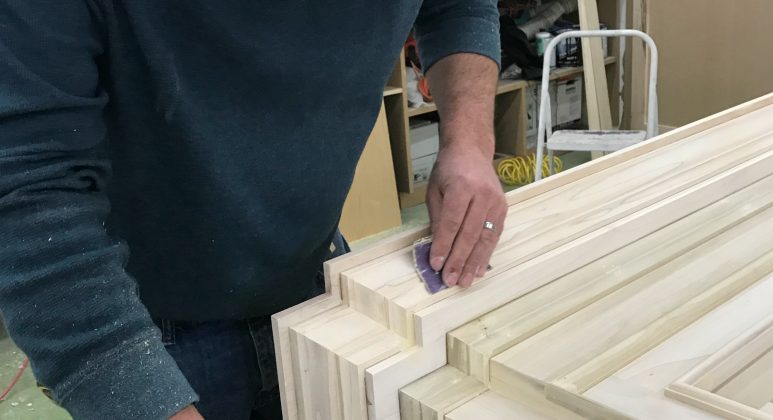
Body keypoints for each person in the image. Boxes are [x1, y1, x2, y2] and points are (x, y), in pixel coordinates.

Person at [0, 1, 508, 419]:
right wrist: (123, 378)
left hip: (319, 283)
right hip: (151, 329)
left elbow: (458, 5)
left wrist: (469, 142)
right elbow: (29, 192)